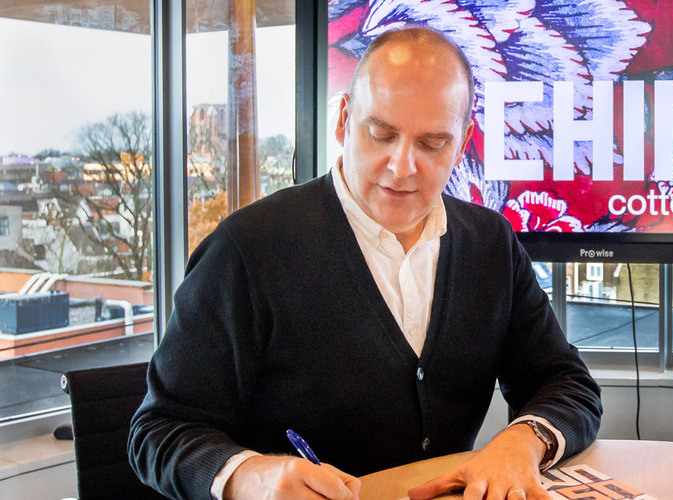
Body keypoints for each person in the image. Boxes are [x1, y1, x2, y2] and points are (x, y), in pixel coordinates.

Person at [129, 27, 602, 500]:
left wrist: (522, 441)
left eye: (432, 144)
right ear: (342, 120)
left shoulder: (490, 243)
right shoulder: (246, 249)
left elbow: (566, 382)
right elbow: (159, 430)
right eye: (381, 134)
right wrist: (250, 475)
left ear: (463, 143)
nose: (401, 167)